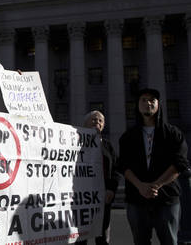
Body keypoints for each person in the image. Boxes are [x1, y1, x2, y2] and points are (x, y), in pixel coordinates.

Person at [118, 88, 188, 245]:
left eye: (152, 100)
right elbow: (123, 165)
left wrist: (157, 184)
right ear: (137, 105)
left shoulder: (173, 133)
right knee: (140, 241)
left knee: (170, 240)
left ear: (158, 105)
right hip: (136, 199)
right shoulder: (128, 136)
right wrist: (140, 186)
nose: (147, 103)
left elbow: (180, 163)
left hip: (167, 199)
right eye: (143, 100)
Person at [75, 111, 120, 245]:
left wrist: (112, 189)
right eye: (94, 120)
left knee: (102, 237)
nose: (97, 123)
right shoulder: (75, 144)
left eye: (100, 121)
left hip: (103, 197)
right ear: (85, 124)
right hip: (81, 199)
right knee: (80, 238)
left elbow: (116, 169)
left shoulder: (107, 145)